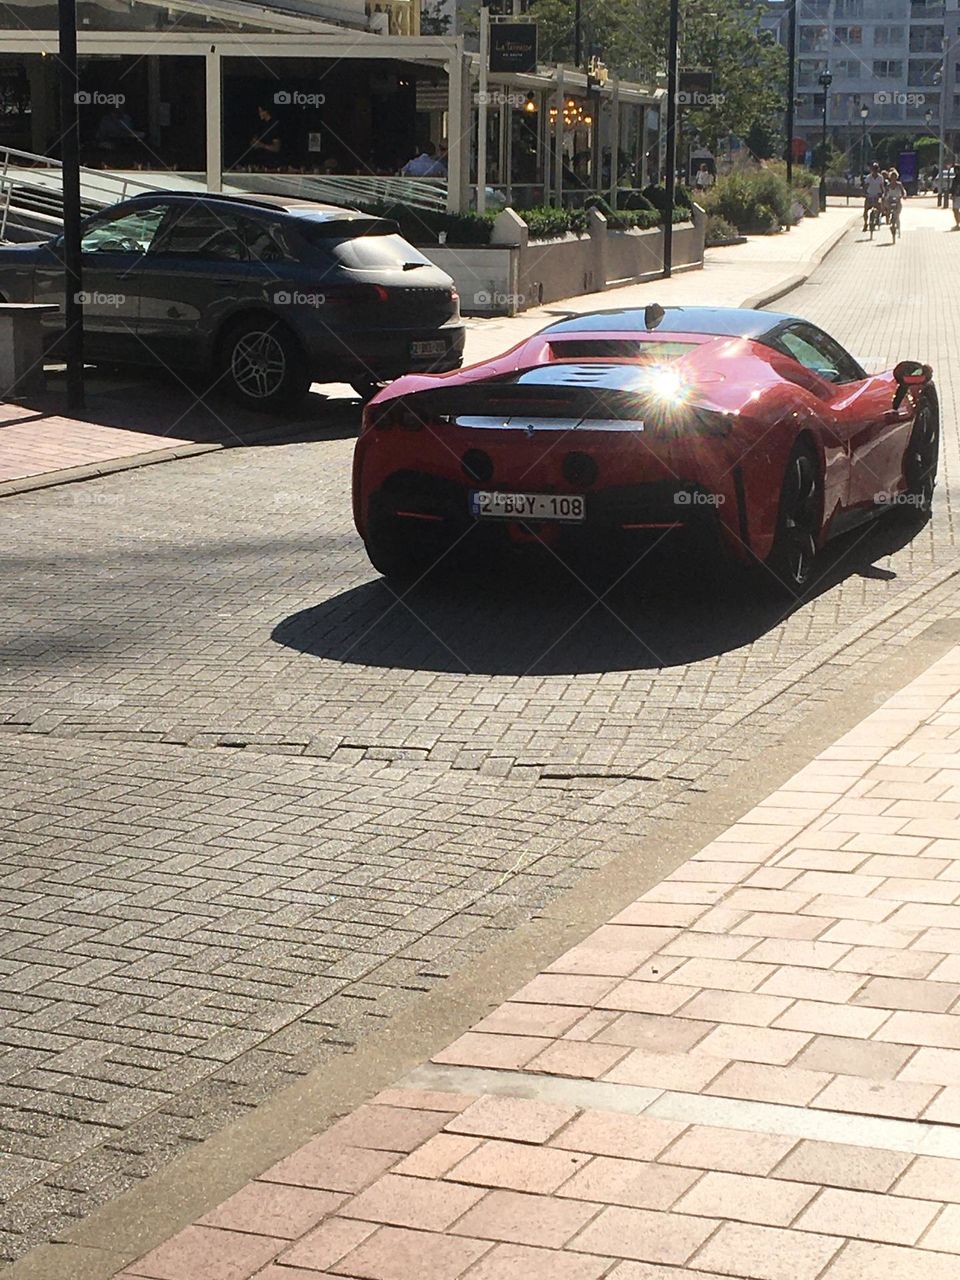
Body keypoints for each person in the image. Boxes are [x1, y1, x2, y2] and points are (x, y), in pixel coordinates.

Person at [884, 167, 906, 240]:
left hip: (897, 200)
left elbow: (903, 192)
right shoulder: (888, 186)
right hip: (890, 200)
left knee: (897, 214)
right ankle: (888, 217)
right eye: (892, 177)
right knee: (887, 207)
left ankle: (898, 229)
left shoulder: (899, 184)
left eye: (895, 177)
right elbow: (885, 193)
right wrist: (884, 197)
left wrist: (904, 196)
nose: (894, 179)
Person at [862, 161, 885, 231]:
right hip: (870, 195)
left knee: (879, 207)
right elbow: (866, 186)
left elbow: (882, 186)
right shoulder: (869, 177)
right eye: (873, 169)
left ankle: (878, 218)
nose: (874, 171)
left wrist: (883, 193)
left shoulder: (880, 177)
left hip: (877, 195)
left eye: (876, 169)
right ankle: (865, 223)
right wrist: (865, 193)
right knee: (866, 210)